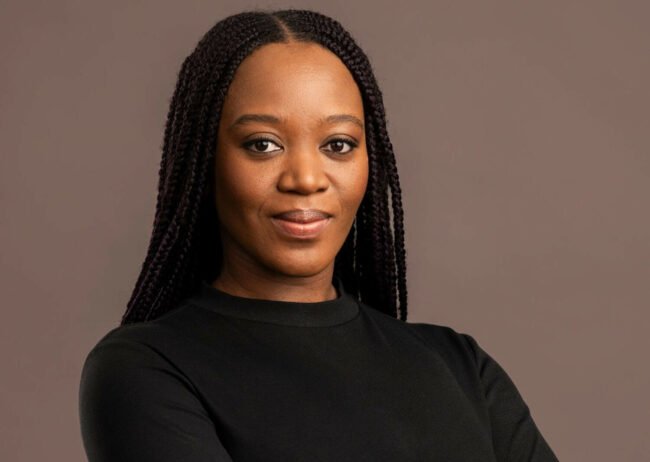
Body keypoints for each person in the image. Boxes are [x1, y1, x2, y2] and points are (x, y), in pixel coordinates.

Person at [78, 9, 559, 462]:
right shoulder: (144, 369)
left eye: (338, 144)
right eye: (263, 145)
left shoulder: (460, 366)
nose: (306, 179)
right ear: (203, 162)